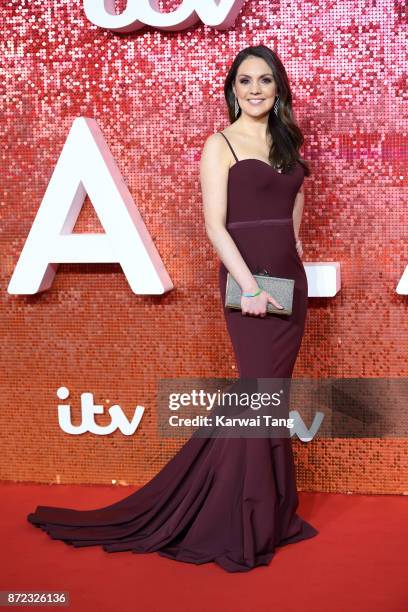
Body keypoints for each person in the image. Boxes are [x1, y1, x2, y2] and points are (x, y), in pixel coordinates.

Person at [27, 44, 318, 573]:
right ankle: (239, 516)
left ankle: (269, 513)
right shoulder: (220, 145)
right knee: (257, 397)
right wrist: (250, 287)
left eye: (266, 81)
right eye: (246, 80)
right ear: (233, 88)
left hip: (287, 287)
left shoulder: (287, 143)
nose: (255, 89)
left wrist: (289, 267)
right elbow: (215, 226)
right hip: (248, 284)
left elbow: (293, 217)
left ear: (279, 90)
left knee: (268, 400)